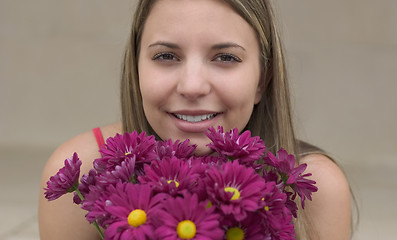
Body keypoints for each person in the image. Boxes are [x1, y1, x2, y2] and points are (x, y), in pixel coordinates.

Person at [39, 0, 352, 239]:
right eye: (166, 56)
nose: (192, 86)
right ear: (136, 70)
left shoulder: (318, 188)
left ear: (262, 80)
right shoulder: (81, 179)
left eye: (226, 57)